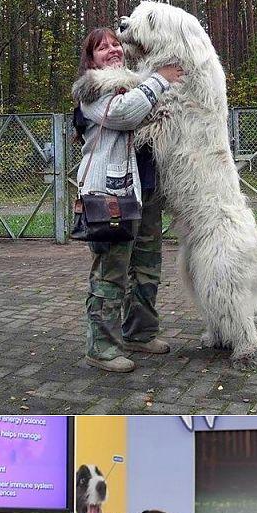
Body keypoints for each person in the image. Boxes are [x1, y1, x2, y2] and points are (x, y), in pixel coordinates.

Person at [73, 25, 174, 372]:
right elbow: (126, 113)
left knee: (147, 270)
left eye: (116, 44)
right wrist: (160, 79)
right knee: (111, 273)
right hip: (110, 195)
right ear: (91, 59)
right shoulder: (92, 92)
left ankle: (140, 334)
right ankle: (100, 348)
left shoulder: (135, 83)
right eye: (102, 48)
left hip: (145, 192)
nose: (113, 50)